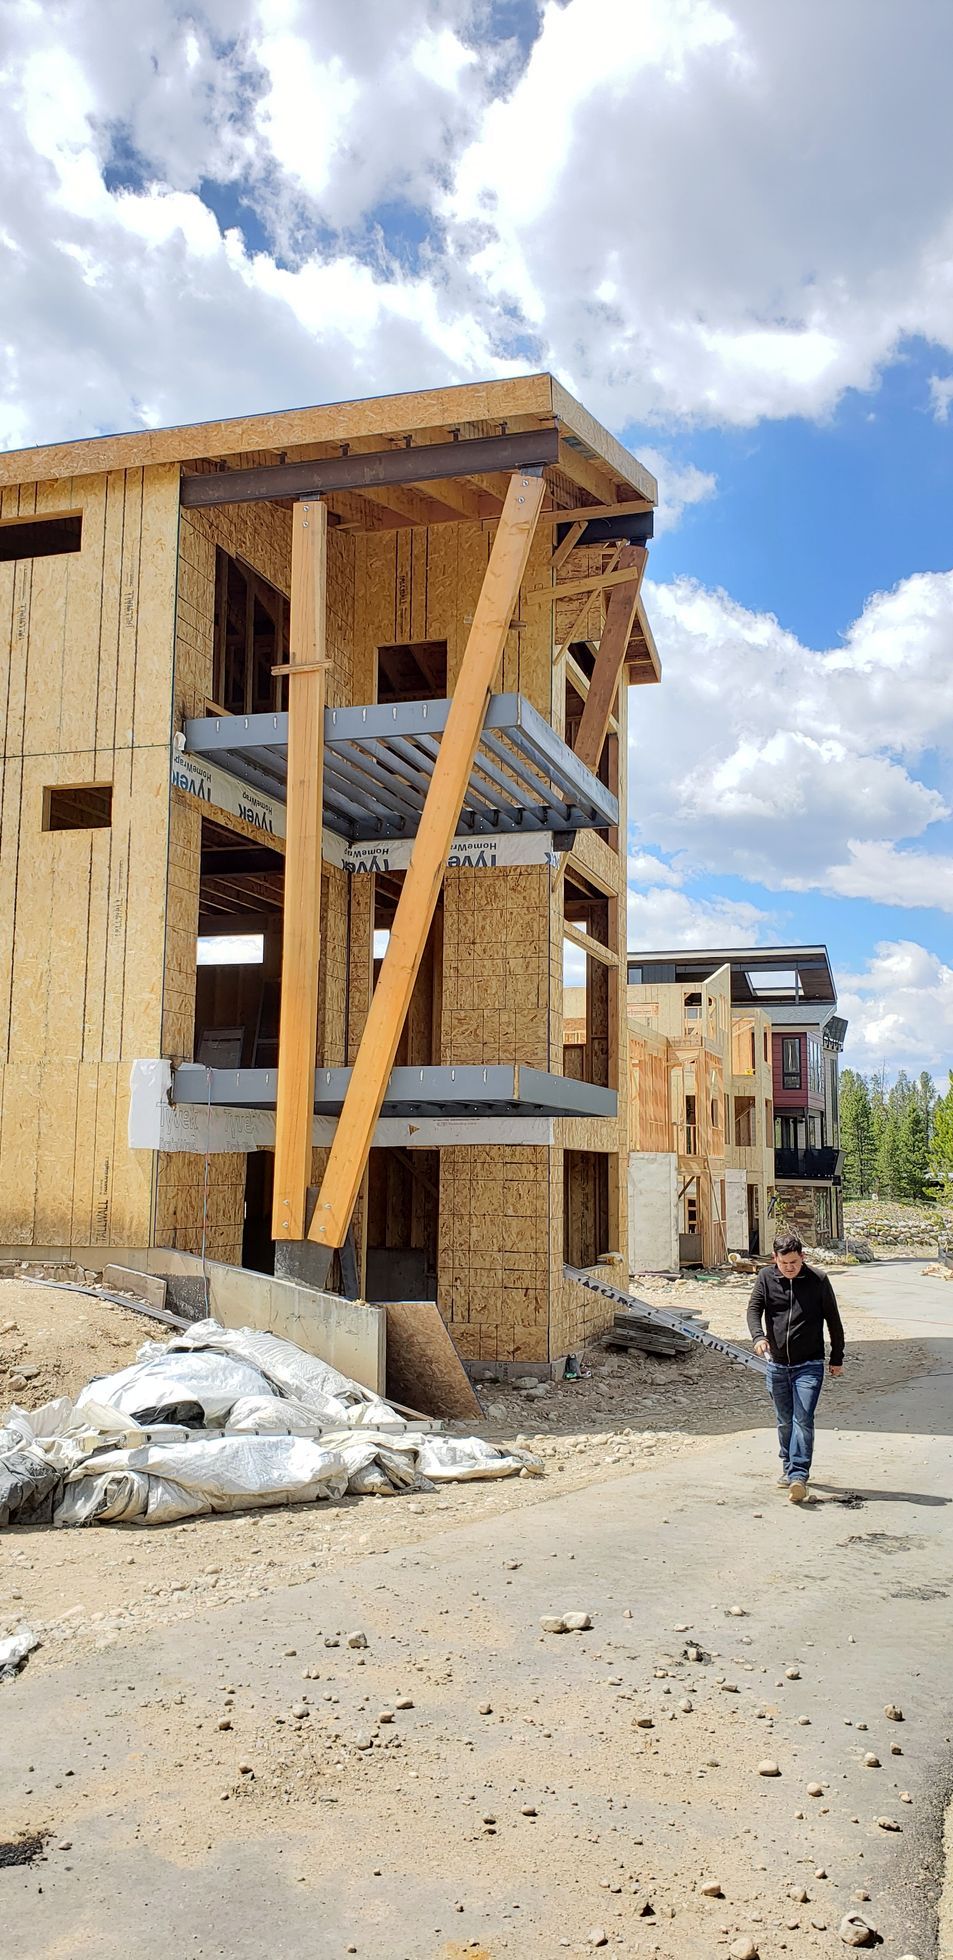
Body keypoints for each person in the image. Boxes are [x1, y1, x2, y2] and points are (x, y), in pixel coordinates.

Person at [746, 1231, 845, 1503]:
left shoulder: (818, 1280)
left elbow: (833, 1321)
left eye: (794, 1262)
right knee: (784, 1420)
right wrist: (758, 1337)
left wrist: (837, 1357)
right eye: (784, 1262)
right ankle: (788, 1466)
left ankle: (799, 1474)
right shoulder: (766, 1278)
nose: (789, 1268)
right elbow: (754, 1310)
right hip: (776, 1364)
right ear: (774, 1258)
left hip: (809, 1363)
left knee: (803, 1418)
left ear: (803, 1257)